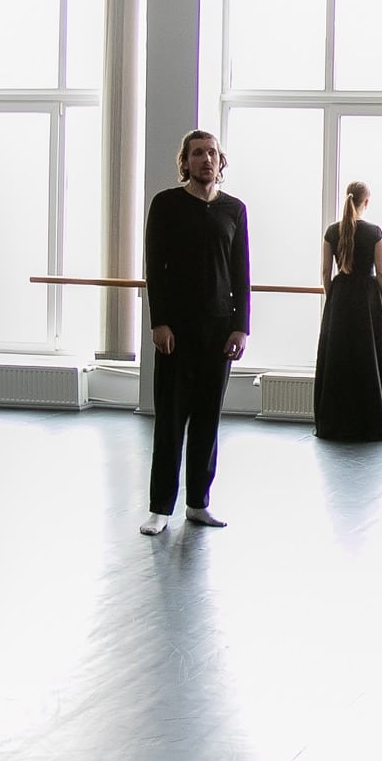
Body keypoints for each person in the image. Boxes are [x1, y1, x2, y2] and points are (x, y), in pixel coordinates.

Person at [141, 129, 249, 534]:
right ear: (185, 162)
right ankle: (160, 508)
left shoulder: (234, 210)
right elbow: (155, 267)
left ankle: (198, 503)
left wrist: (241, 327)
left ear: (220, 162)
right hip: (177, 331)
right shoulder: (166, 204)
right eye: (198, 153)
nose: (206, 159)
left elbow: (241, 272)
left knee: (207, 420)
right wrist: (159, 321)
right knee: (170, 421)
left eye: (212, 153)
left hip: (219, 332)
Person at [313, 181, 382, 442]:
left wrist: (332, 297)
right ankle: (373, 421)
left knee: (340, 359)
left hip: (340, 297)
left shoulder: (332, 231)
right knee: (369, 358)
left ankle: (337, 422)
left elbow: (325, 272)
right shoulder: (374, 232)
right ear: (366, 202)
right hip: (367, 300)